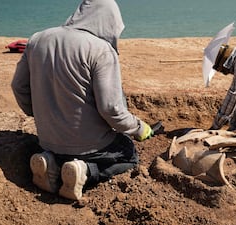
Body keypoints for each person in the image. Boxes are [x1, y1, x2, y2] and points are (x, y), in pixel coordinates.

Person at [11, 0, 154, 200]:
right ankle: (86, 170)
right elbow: (110, 108)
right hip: (90, 147)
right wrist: (139, 128)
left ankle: (50, 162)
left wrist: (37, 112)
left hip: (47, 141)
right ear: (109, 22)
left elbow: (18, 87)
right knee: (128, 153)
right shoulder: (100, 49)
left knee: (59, 151)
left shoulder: (37, 40)